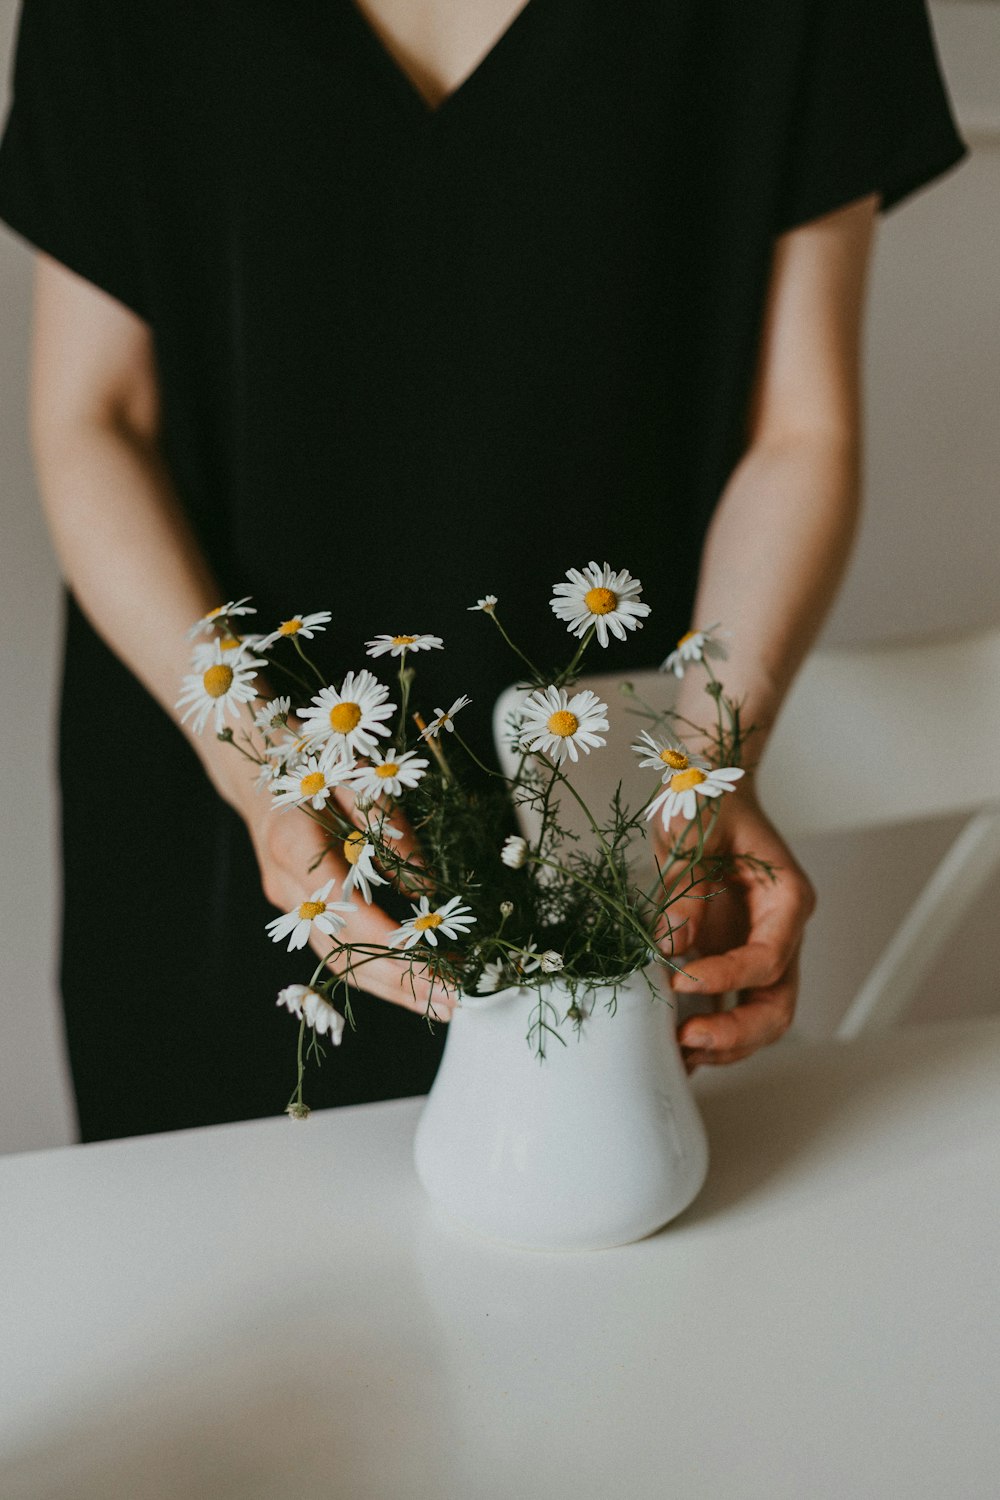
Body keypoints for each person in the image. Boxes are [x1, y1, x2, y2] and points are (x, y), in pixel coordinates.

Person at [0, 0, 968, 1141]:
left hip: (607, 820)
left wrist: (709, 762)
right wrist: (267, 776)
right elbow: (94, 418)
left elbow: (800, 432)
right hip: (224, 819)